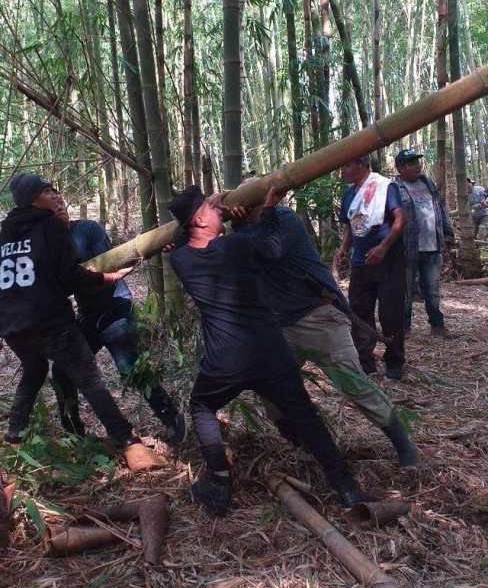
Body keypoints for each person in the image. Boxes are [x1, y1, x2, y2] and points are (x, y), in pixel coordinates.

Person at [168, 184, 371, 516]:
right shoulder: (237, 245)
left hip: (225, 358)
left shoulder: (180, 260)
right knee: (306, 415)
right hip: (269, 351)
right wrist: (265, 212)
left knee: (202, 406)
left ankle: (219, 481)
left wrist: (226, 216)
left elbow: (183, 241)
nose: (217, 208)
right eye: (210, 206)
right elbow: (272, 247)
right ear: (200, 219)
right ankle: (346, 487)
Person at [231, 185, 416, 467]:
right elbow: (243, 253)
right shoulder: (244, 231)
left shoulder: (283, 219)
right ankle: (305, 446)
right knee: (271, 389)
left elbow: (270, 250)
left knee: (354, 384)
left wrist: (262, 213)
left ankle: (404, 446)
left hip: (319, 318)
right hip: (280, 325)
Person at [0, 173, 156, 468]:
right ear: (34, 199)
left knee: (34, 368)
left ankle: (15, 431)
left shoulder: (4, 232)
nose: (55, 196)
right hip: (49, 322)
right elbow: (68, 276)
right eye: (48, 191)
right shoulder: (50, 226)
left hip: (12, 325)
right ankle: (127, 440)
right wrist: (105, 277)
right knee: (89, 379)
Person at [50, 200, 185, 444]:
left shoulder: (87, 230)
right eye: (52, 202)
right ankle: (74, 433)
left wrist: (77, 279)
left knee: (129, 366)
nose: (59, 205)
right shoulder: (49, 242)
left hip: (115, 304)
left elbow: (113, 265)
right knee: (61, 371)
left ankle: (171, 417)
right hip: (88, 313)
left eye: (60, 200)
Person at [336, 155, 406, 380]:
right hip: (361, 263)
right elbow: (351, 225)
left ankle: (394, 362)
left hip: (388, 261)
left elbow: (399, 219)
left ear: (362, 165)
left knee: (391, 313)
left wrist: (383, 247)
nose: (343, 170)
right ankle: (365, 362)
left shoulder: (385, 186)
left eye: (347, 164)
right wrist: (343, 248)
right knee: (358, 311)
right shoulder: (348, 193)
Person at [394, 149, 455, 337]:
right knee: (405, 290)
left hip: (432, 245)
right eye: (411, 163)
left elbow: (440, 209)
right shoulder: (395, 188)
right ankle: (404, 328)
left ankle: (437, 325)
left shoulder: (427, 183)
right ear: (401, 168)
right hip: (407, 248)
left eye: (416, 162)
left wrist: (447, 233)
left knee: (433, 289)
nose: (417, 165)